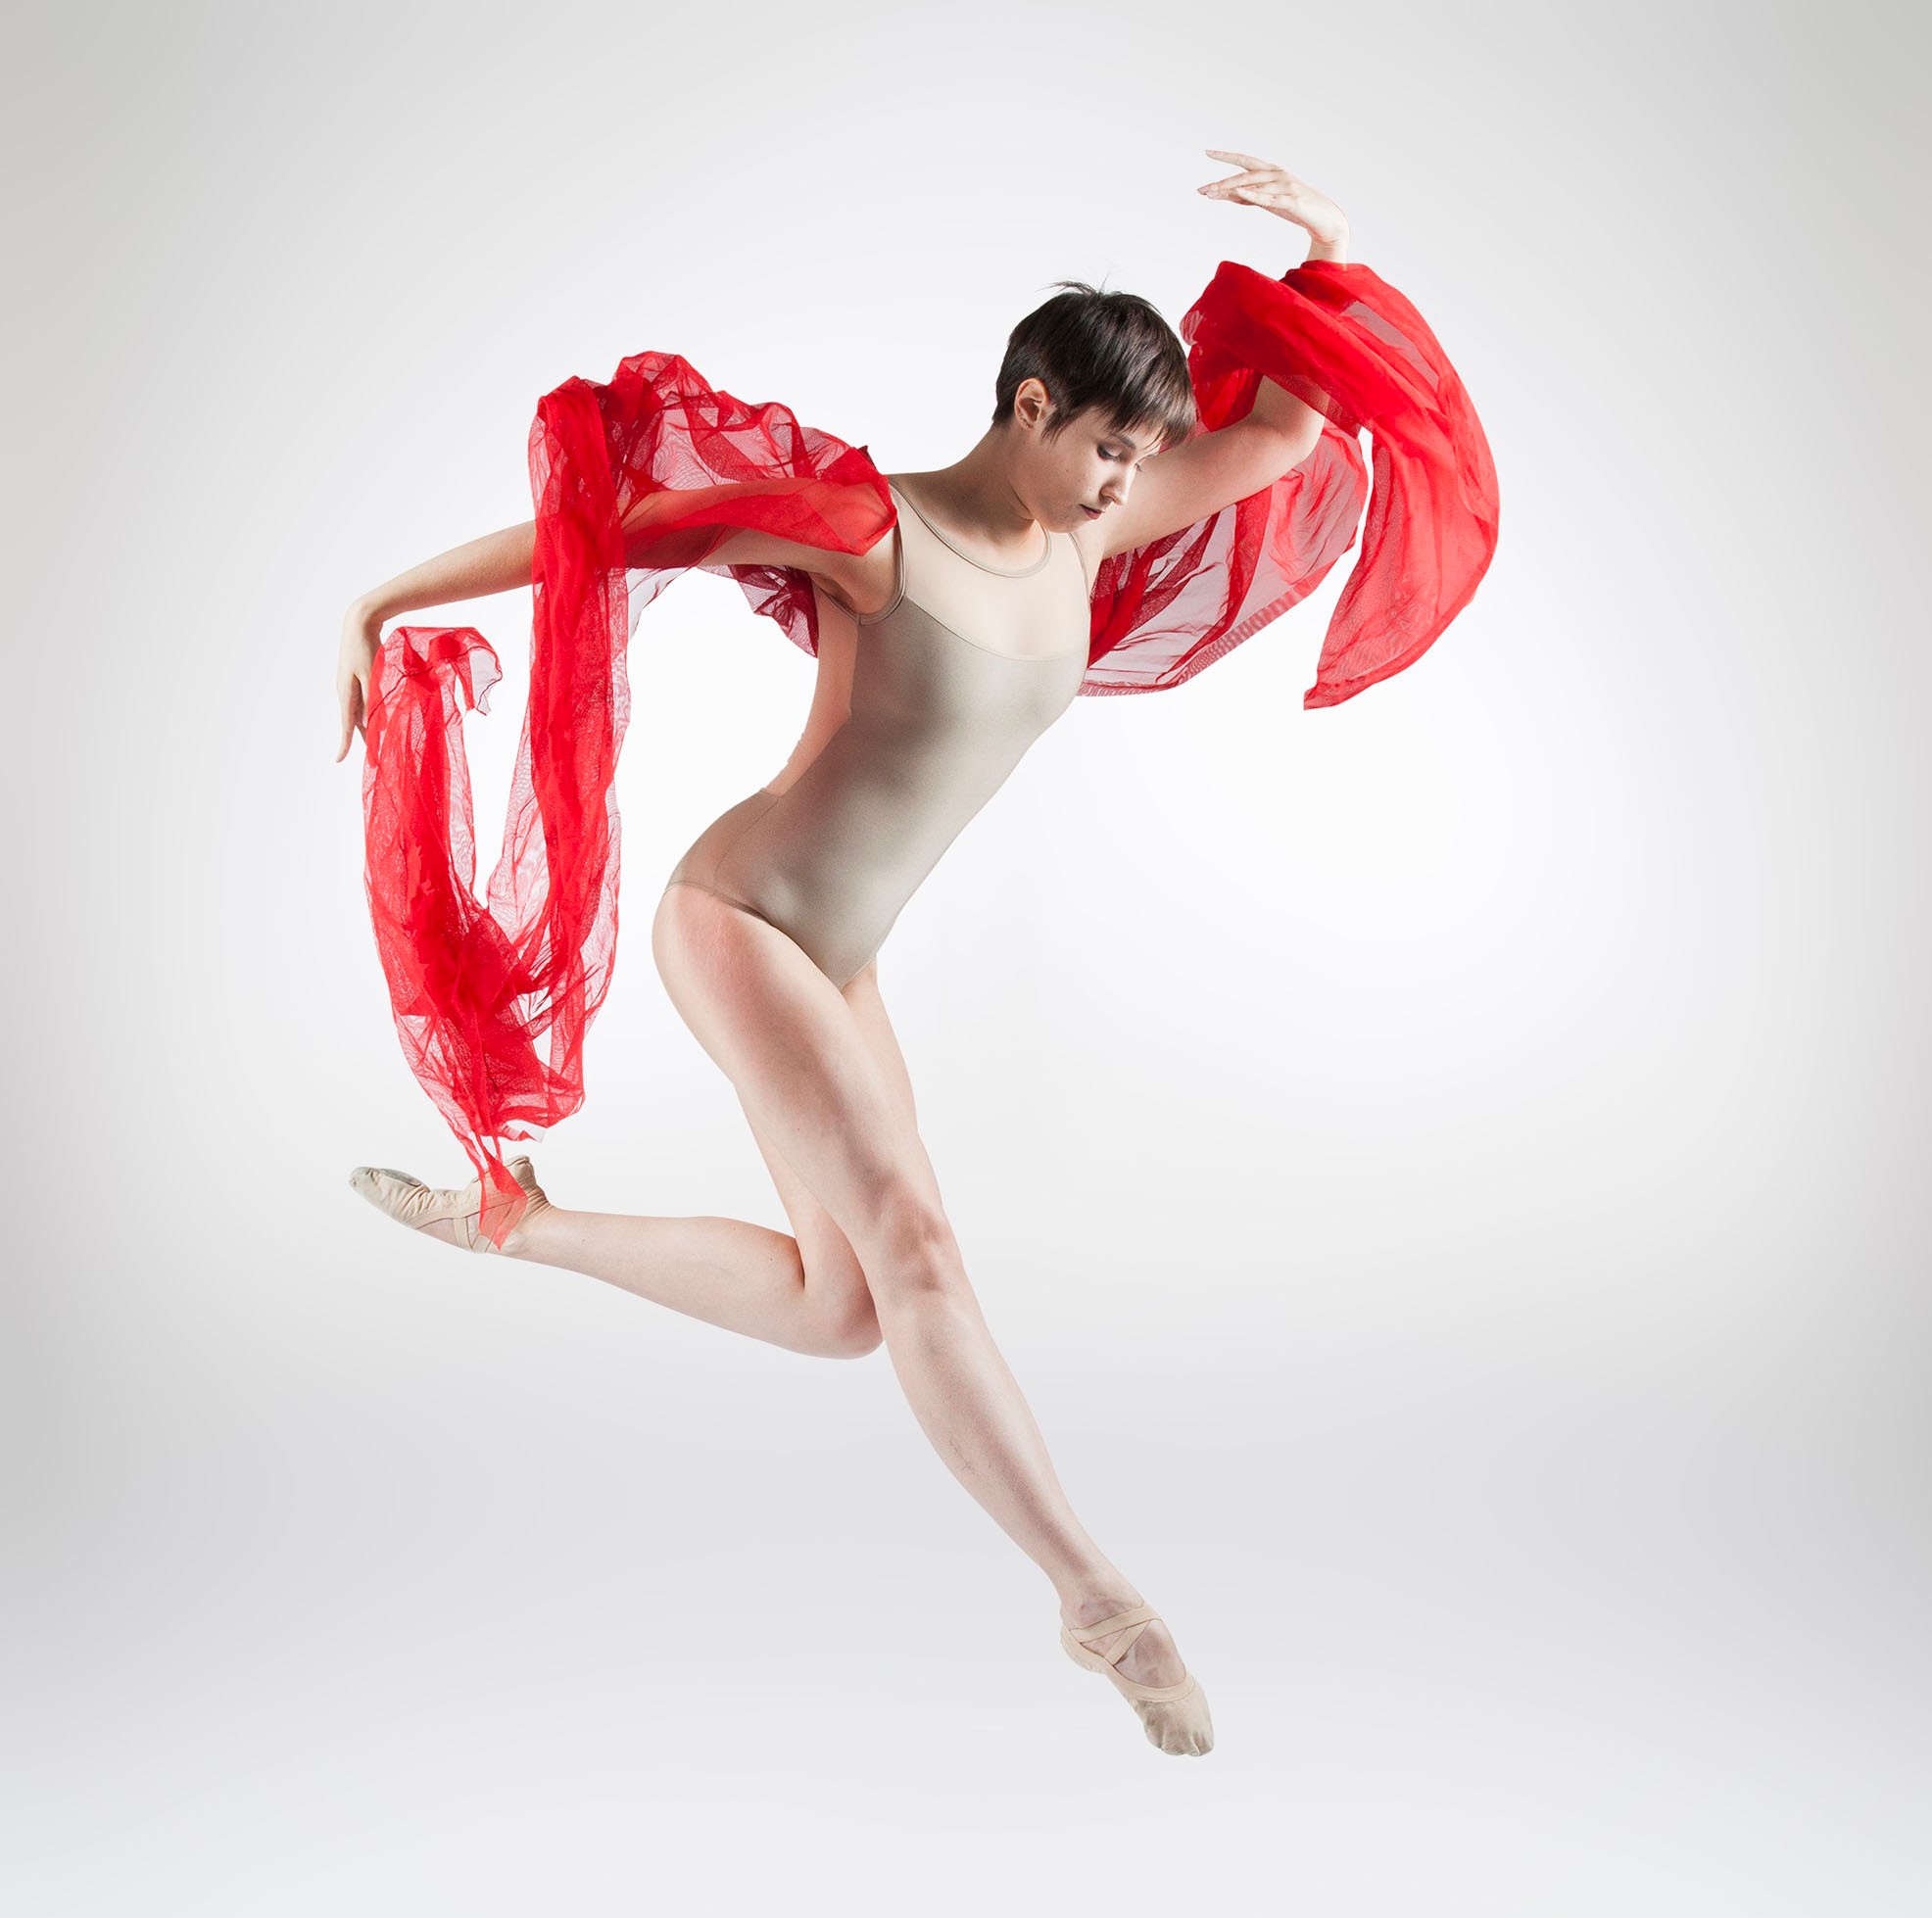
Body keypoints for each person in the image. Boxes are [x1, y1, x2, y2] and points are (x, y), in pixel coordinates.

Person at [333, 153, 1499, 1756]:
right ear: (1029, 404)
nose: (1127, 482)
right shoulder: (871, 529)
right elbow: (614, 531)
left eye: (1143, 456)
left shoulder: (1087, 531)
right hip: (738, 923)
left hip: (842, 955)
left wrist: (1328, 252)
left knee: (843, 1309)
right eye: (1108, 444)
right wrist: (381, 602)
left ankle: (518, 1229)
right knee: (921, 1249)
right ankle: (1098, 1599)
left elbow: (1289, 429)